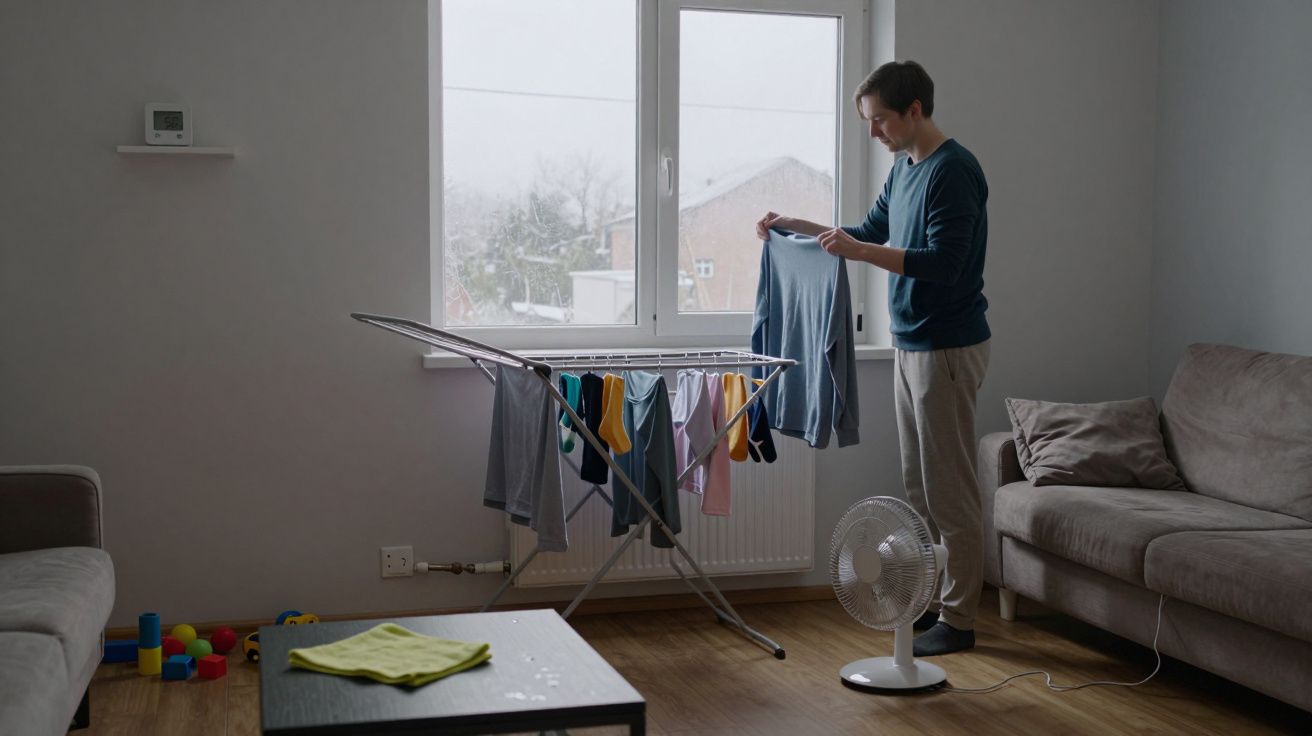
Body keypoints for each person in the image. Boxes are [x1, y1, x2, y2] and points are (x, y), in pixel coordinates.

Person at [755, 60, 990, 656]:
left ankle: (959, 621)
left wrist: (863, 251)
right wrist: (792, 226)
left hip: (949, 347)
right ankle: (932, 605)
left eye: (879, 120)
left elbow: (946, 264)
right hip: (912, 342)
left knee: (950, 490)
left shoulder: (954, 171)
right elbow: (863, 230)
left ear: (914, 110)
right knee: (918, 485)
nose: (873, 133)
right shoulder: (904, 169)